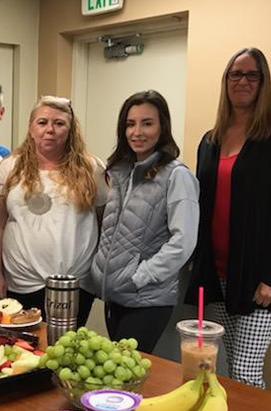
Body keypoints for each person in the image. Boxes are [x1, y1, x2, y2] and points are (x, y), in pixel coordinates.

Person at [185, 48, 271, 388]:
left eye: (251, 75)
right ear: (225, 82)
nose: (242, 81)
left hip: (260, 278)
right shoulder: (210, 140)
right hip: (221, 273)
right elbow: (201, 206)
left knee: (245, 369)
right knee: (227, 364)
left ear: (263, 82)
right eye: (235, 74)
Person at [90, 90, 200, 354]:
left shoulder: (177, 176)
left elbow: (183, 242)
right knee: (119, 373)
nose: (137, 132)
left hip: (147, 298)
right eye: (130, 124)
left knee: (126, 373)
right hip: (116, 295)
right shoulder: (119, 172)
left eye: (147, 123)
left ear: (162, 127)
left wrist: (141, 276)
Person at [0, 96, 106, 327]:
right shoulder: (9, 168)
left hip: (76, 283)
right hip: (22, 281)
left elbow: (104, 222)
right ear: (31, 128)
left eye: (59, 123)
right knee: (26, 348)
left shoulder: (91, 168)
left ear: (70, 130)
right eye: (42, 123)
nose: (50, 129)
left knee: (67, 349)